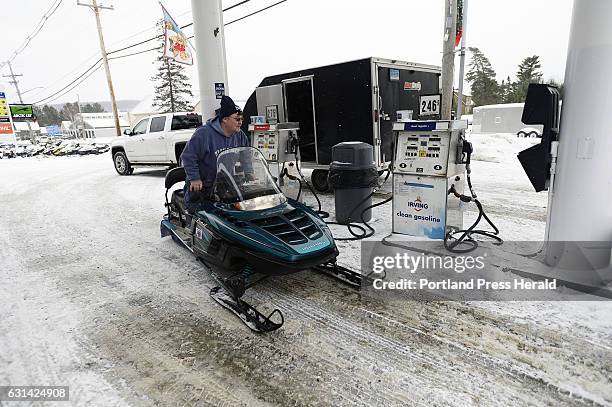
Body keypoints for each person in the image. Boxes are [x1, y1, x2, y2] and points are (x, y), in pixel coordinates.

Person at [181, 95, 250, 211]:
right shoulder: (204, 134)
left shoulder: (240, 135)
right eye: (237, 119)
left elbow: (246, 155)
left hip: (224, 185)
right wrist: (195, 178)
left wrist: (249, 172)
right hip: (201, 187)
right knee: (201, 220)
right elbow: (188, 156)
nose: (240, 122)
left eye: (242, 119)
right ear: (225, 119)